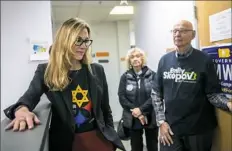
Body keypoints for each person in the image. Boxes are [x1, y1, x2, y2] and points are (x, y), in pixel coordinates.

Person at [4, 18, 125, 151]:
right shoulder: (47, 71)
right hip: (66, 142)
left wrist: (111, 140)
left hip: (98, 139)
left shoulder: (96, 70)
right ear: (65, 41)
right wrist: (21, 110)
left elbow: (105, 108)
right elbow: (29, 97)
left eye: (86, 41)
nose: (84, 45)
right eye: (78, 40)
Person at [151, 20, 232, 151]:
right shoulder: (164, 60)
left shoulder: (204, 60)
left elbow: (213, 94)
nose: (177, 34)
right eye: (175, 31)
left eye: (183, 31)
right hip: (171, 129)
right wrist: (161, 122)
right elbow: (156, 93)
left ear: (193, 35)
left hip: (199, 129)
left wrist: (228, 104)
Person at [118, 47, 158, 151]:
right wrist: (137, 112)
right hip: (133, 117)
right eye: (132, 57)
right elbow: (122, 97)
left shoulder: (152, 75)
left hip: (150, 115)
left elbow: (155, 95)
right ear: (129, 61)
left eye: (138, 56)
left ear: (142, 59)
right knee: (136, 146)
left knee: (152, 145)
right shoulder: (125, 77)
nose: (135, 59)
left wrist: (141, 110)